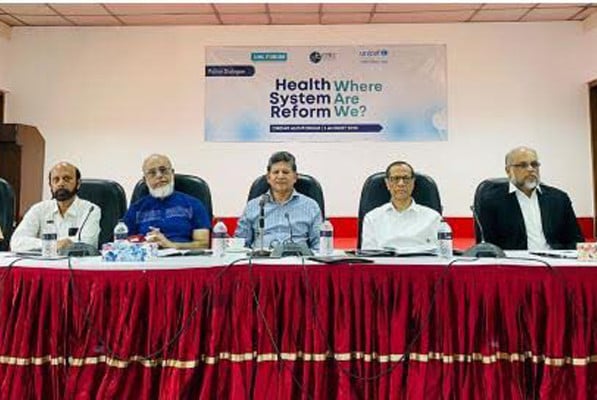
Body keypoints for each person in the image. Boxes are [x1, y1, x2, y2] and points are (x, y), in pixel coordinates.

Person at [477, 146, 583, 250]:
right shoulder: (491, 201)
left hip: (555, 259)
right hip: (515, 260)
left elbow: (576, 241)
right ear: (508, 171)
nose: (531, 169)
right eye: (523, 165)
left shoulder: (559, 199)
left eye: (534, 164)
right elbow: (487, 248)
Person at [235, 151, 322, 251]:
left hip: (298, 259)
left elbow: (319, 246)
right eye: (276, 172)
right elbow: (240, 245)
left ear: (295, 177)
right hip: (261, 259)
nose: (280, 176)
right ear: (268, 178)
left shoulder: (311, 206)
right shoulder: (253, 206)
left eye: (285, 172)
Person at [123, 154, 210, 249]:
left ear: (172, 173)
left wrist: (171, 245)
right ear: (145, 179)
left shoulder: (193, 204)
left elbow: (203, 244)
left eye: (163, 170)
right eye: (152, 173)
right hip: (149, 256)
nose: (159, 175)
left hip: (183, 256)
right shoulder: (136, 209)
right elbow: (123, 243)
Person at [10, 161, 101, 252]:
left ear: (78, 183)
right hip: (43, 260)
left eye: (67, 179)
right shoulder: (38, 209)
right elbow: (16, 242)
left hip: (75, 261)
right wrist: (53, 244)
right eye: (56, 179)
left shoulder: (90, 210)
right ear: (50, 185)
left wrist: (44, 245)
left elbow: (87, 243)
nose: (61, 183)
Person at [361, 161, 441, 250]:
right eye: (395, 179)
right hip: (385, 259)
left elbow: (441, 253)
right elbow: (368, 254)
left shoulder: (433, 217)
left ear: (413, 182)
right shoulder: (372, 218)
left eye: (406, 178)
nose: (401, 184)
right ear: (387, 183)